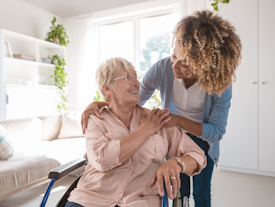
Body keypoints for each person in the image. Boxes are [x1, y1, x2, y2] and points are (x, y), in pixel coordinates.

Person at [81, 10, 242, 207]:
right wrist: (103, 103)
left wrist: (177, 120)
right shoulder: (162, 69)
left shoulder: (220, 85)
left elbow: (216, 131)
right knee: (177, 191)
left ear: (204, 67)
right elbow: (134, 101)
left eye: (185, 64)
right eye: (174, 56)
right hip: (169, 135)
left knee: (201, 194)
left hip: (202, 139)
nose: (175, 66)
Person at [66, 57, 206, 207]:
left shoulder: (157, 119)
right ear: (107, 89)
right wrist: (145, 130)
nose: (136, 82)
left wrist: (176, 163)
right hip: (91, 199)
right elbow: (103, 160)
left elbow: (198, 156)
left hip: (139, 202)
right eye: (127, 77)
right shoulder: (95, 118)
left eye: (136, 77)